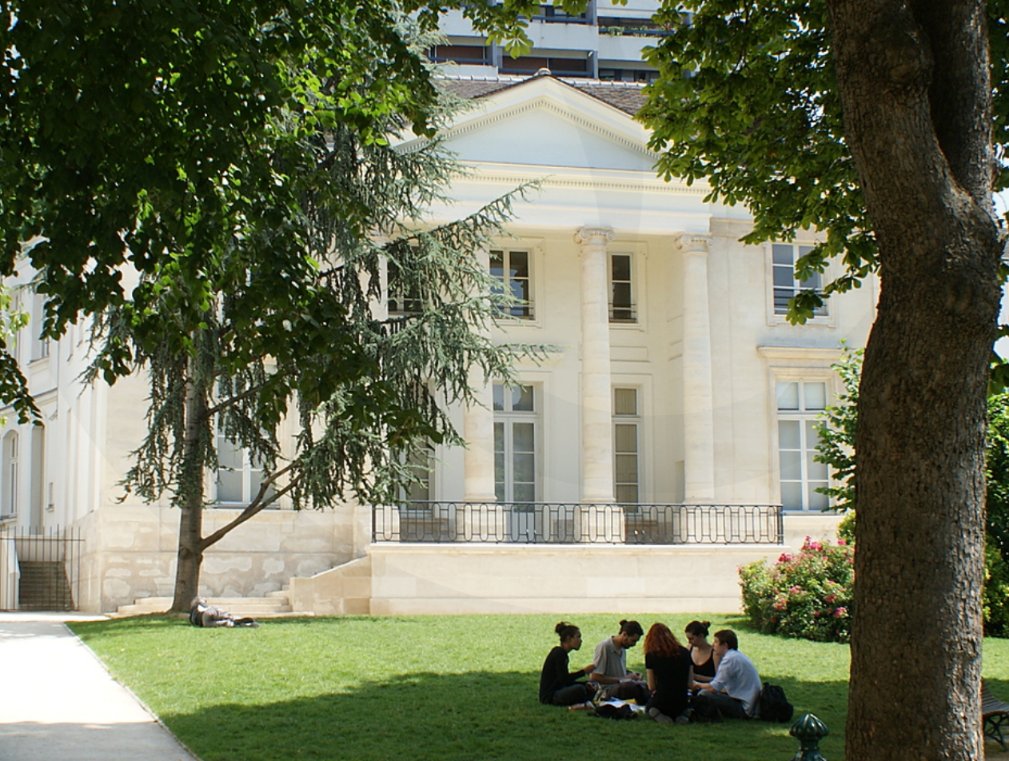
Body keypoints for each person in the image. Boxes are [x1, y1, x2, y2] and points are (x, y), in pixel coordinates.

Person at [691, 629, 762, 720]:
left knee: (704, 694)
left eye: (716, 642)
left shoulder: (729, 660)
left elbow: (713, 687)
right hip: (750, 704)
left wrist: (695, 684)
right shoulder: (736, 656)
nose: (713, 645)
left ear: (725, 645)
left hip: (745, 708)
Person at [643, 622, 693, 724]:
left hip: (661, 701)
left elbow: (651, 686)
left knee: (650, 708)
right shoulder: (685, 653)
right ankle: (683, 715)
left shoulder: (651, 655)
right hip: (681, 701)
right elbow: (690, 684)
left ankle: (659, 715)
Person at [539, 621, 597, 708]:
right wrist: (583, 672)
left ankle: (588, 702)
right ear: (568, 638)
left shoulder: (562, 654)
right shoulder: (559, 653)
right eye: (578, 637)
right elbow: (564, 679)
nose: (580, 641)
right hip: (551, 696)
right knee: (580, 689)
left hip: (558, 690)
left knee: (589, 686)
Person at [591, 619, 650, 703]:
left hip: (620, 685)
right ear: (624, 634)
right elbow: (595, 677)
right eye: (633, 640)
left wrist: (632, 675)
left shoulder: (622, 649)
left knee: (645, 684)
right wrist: (623, 679)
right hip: (606, 690)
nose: (634, 645)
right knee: (631, 687)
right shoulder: (605, 647)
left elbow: (618, 672)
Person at [189, 597, 259, 628]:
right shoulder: (202, 605)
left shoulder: (193, 614)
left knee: (215, 624)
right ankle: (237, 620)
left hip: (204, 617)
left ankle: (233, 624)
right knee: (228, 616)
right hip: (213, 610)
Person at [684, 619, 716, 684]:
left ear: (701, 636)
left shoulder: (714, 653)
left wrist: (695, 677)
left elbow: (718, 679)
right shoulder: (689, 649)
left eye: (691, 639)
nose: (689, 642)